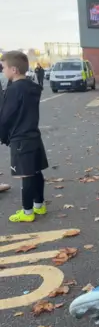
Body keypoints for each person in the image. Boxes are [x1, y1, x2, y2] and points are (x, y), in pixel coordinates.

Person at [0, 51, 48, 222]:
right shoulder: (32, 87)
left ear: (13, 69)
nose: (2, 70)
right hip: (33, 136)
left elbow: (5, 116)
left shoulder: (13, 90)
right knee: (36, 171)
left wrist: (3, 136)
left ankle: (27, 212)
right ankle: (39, 205)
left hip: (20, 138)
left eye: (3, 67)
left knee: (25, 175)